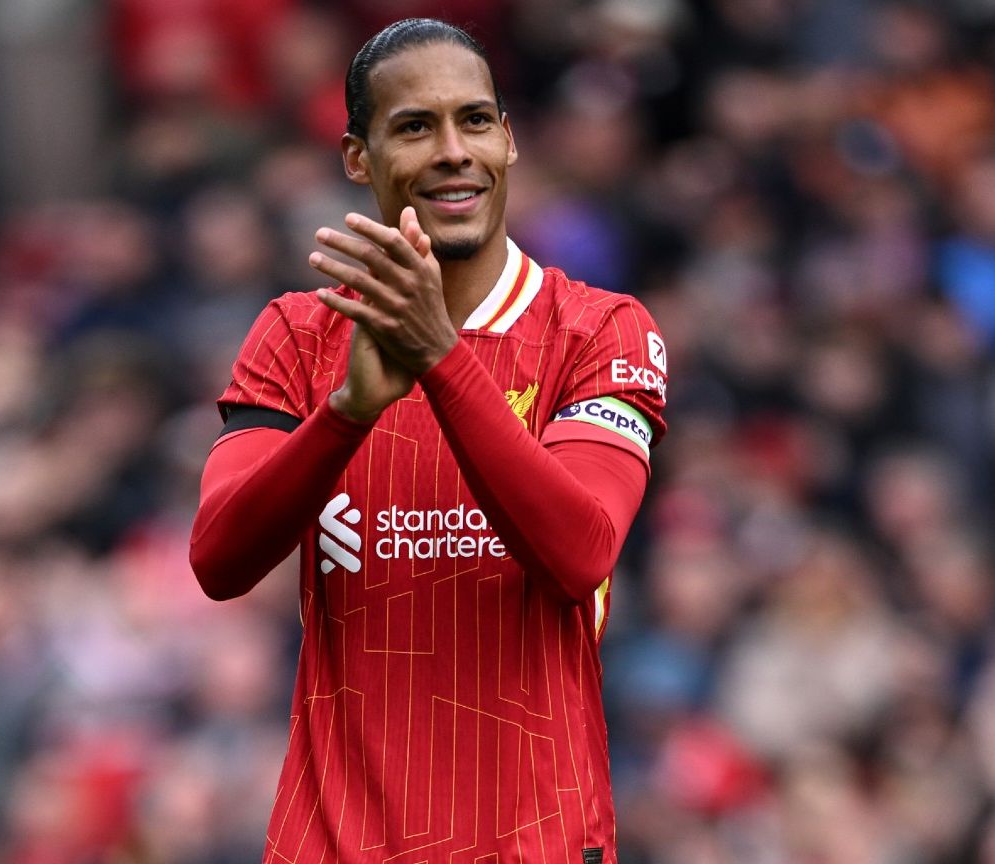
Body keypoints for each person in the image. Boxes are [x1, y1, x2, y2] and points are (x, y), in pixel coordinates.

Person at [190, 18, 667, 862]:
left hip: (537, 844)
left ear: (510, 141)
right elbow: (220, 560)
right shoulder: (297, 336)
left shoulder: (601, 331)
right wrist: (344, 414)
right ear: (357, 158)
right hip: (334, 845)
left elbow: (580, 550)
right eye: (415, 126)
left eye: (475, 121)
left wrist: (439, 358)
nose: (454, 150)